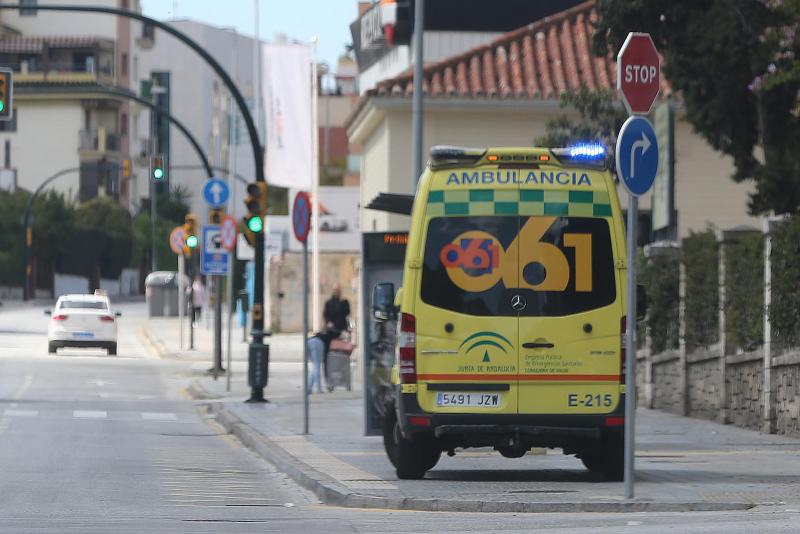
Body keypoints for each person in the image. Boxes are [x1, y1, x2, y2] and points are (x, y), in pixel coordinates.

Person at [323, 284, 350, 388]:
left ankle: (344, 380)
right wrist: (329, 323)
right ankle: (329, 381)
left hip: (341, 332)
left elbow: (347, 313)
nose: (337, 292)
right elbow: (326, 315)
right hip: (331, 334)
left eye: (339, 290)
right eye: (335, 290)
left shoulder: (344, 302)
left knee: (343, 356)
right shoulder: (328, 303)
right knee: (329, 356)